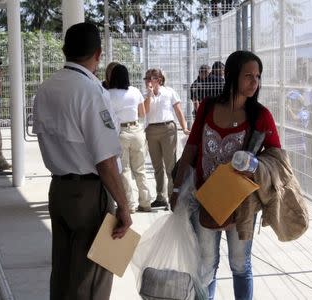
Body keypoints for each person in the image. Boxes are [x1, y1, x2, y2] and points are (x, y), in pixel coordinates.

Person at [33, 22, 132, 300]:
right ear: (98, 54)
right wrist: (124, 206)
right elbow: (105, 160)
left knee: (63, 273)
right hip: (90, 193)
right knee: (91, 278)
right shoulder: (90, 91)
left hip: (59, 190)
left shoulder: (46, 88)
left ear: (64, 50)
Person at [171, 50, 281, 300]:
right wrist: (177, 188)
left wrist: (254, 163)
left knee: (240, 265)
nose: (255, 82)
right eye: (248, 76)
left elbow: (277, 156)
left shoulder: (261, 115)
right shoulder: (208, 107)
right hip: (203, 200)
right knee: (205, 265)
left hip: (241, 205)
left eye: (258, 76)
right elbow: (191, 147)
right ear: (231, 75)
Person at [143, 68, 190, 209]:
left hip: (167, 129)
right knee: (157, 166)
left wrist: (184, 127)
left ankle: (172, 197)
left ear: (159, 80)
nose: (147, 81)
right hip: (151, 130)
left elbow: (178, 110)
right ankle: (160, 196)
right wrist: (149, 95)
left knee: (170, 166)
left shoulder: (169, 92)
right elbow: (144, 112)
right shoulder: (145, 94)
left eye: (150, 78)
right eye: (146, 78)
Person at [108, 64, 152, 213]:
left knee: (124, 170)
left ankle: (130, 205)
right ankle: (146, 202)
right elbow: (142, 113)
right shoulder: (135, 91)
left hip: (120, 133)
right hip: (136, 131)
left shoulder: (107, 94)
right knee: (140, 169)